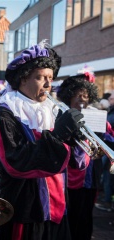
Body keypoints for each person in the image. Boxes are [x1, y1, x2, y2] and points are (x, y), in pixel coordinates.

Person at [0, 40, 86, 240]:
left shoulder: (53, 110)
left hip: (58, 207)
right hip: (26, 210)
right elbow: (15, 163)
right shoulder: (6, 114)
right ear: (23, 79)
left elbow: (78, 164)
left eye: (50, 77)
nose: (48, 85)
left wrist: (76, 139)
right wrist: (58, 137)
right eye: (40, 78)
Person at [55, 68, 114, 240]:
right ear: (68, 96)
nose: (83, 99)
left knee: (86, 217)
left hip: (90, 178)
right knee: (68, 219)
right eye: (78, 95)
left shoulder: (97, 116)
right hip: (68, 178)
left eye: (86, 95)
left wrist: (103, 136)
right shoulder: (60, 116)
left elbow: (111, 140)